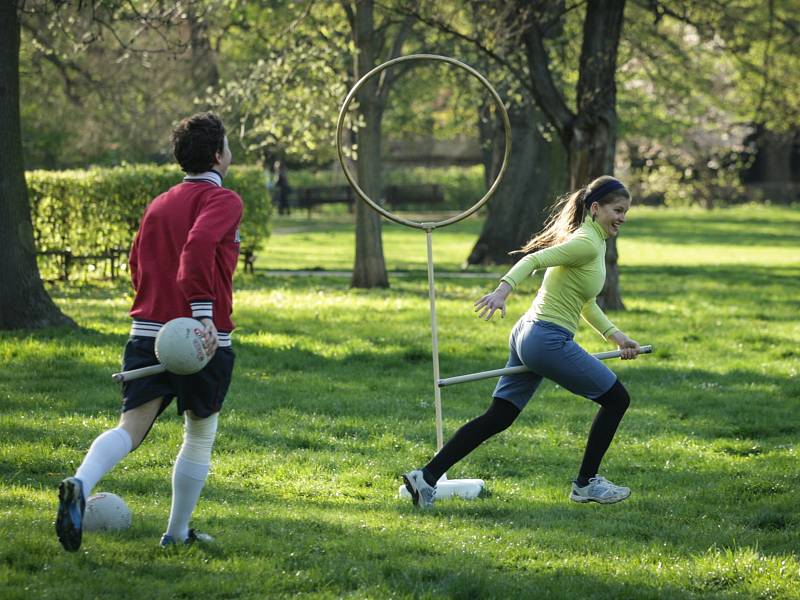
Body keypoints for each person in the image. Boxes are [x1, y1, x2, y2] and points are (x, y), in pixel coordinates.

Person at [55, 112, 242, 550]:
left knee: (129, 428)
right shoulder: (225, 200)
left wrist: (155, 314)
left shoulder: (159, 202)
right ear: (218, 155)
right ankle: (175, 535)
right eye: (228, 145)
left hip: (147, 334)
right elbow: (197, 248)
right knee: (200, 433)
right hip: (202, 339)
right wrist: (200, 315)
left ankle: (81, 482)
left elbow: (137, 264)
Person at [403, 175, 641, 508]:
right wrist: (502, 291)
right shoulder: (586, 242)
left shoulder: (593, 241)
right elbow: (533, 259)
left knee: (500, 416)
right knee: (617, 399)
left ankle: (425, 478)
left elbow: (584, 301)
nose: (622, 218)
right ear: (596, 208)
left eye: (626, 212)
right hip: (546, 338)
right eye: (617, 210)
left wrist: (616, 336)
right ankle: (586, 483)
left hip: (528, 334)